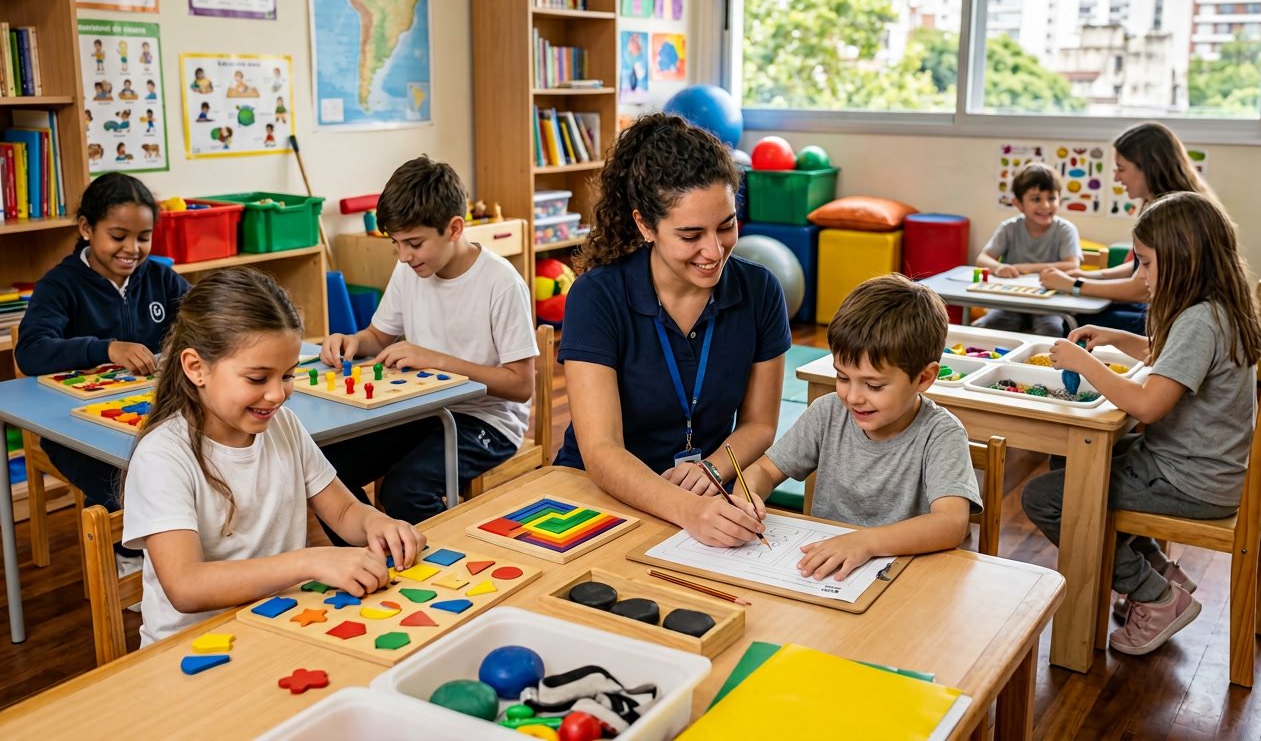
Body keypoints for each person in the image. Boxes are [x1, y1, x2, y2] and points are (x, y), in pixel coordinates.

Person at [122, 268, 423, 646]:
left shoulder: (285, 426)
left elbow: (345, 513)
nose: (277, 395)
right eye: (257, 378)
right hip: (194, 648)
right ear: (196, 368)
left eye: (287, 375)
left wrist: (378, 524)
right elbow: (186, 586)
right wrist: (309, 561)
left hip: (285, 624)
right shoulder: (163, 455)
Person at [1023, 191, 1261, 656]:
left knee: (1046, 497)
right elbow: (1168, 359)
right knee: (1070, 458)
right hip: (1204, 471)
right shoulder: (1220, 309)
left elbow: (1150, 406)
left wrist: (1084, 363)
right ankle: (1156, 568)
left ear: (1183, 261)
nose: (1141, 275)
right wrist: (1118, 339)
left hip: (1188, 481)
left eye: (1147, 264)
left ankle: (1155, 597)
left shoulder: (1199, 320)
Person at [556, 113, 791, 547]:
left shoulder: (760, 291)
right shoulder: (597, 296)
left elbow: (759, 424)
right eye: (690, 235)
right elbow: (601, 450)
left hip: (700, 495)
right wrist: (688, 510)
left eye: (726, 225)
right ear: (645, 225)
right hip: (597, 494)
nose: (713, 250)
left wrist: (711, 471)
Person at [319, 156, 537, 527]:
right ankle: (374, 557)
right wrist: (351, 341)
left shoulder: (501, 283)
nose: (404, 256)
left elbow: (520, 385)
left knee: (405, 490)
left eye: (414, 243)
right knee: (326, 472)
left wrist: (433, 359)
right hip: (422, 411)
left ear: (454, 229)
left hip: (487, 422)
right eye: (396, 244)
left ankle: (441, 564)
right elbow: (377, 336)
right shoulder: (410, 270)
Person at [738, 275, 981, 579]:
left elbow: (951, 524)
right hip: (826, 574)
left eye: (874, 385)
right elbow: (761, 471)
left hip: (905, 581)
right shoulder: (827, 413)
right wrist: (746, 499)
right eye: (842, 377)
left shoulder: (941, 434)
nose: (853, 397)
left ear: (924, 378)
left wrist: (865, 542)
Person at [16, 173, 190, 570]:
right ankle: (131, 554)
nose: (132, 249)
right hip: (73, 429)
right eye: (118, 236)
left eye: (143, 236)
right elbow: (31, 351)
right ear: (85, 229)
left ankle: (181, 551)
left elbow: (204, 317)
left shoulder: (160, 277)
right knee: (129, 480)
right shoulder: (60, 285)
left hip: (152, 416)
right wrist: (105, 348)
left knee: (198, 459)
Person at [1039, 123, 1215, 333]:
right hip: (1160, 311)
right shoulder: (1160, 205)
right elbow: (1139, 268)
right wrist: (1086, 276)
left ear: (1149, 168)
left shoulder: (1174, 216)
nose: (1116, 178)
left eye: (1121, 169)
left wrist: (1073, 285)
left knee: (1078, 320)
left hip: (1171, 320)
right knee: (1080, 314)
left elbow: (1142, 288)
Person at [975, 162, 1081, 336]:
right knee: (988, 326)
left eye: (1052, 198)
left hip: (1050, 303)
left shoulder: (1065, 230)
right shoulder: (1009, 228)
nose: (1046, 205)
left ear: (1060, 199)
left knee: (1051, 329)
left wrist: (1023, 268)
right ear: (1018, 203)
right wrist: (999, 267)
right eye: (1036, 199)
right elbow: (982, 258)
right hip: (1011, 300)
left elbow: (1072, 266)